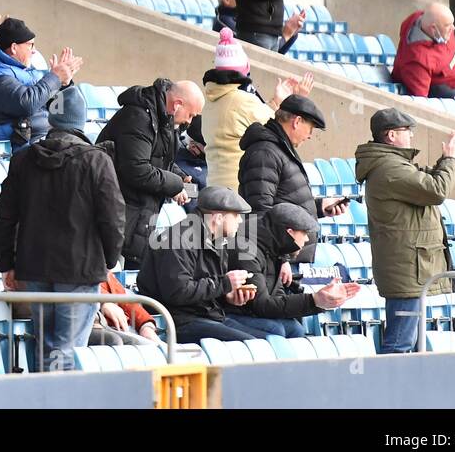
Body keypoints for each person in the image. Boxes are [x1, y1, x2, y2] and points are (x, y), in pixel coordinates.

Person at [0, 85, 126, 371]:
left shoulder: (23, 159)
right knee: (67, 348)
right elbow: (113, 217)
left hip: (36, 267)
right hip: (80, 269)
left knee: (44, 344)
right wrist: (110, 259)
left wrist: (6, 263)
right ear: (80, 122)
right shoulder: (96, 160)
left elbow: (4, 215)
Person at [356, 109, 455, 353]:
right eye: (407, 131)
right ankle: (387, 390)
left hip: (410, 269)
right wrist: (450, 160)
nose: (411, 136)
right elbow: (436, 189)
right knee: (399, 344)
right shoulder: (389, 169)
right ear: (392, 135)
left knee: (408, 343)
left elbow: (425, 179)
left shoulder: (393, 165)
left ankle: (397, 390)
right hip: (406, 271)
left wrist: (448, 159)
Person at [96, 77, 204, 267]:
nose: (190, 121)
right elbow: (137, 169)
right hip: (117, 208)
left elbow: (161, 158)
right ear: (178, 104)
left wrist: (178, 176)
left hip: (137, 211)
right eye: (191, 114)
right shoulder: (138, 117)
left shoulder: (164, 117)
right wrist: (175, 185)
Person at [136, 186, 260, 343]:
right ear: (218, 217)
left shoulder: (218, 239)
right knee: (249, 345)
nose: (240, 221)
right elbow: (178, 292)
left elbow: (207, 287)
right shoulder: (177, 239)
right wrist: (225, 283)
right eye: (236, 215)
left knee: (265, 342)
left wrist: (227, 297)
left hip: (205, 316)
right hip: (178, 321)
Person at [223, 202, 360, 339]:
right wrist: (314, 300)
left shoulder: (274, 247)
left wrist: (316, 301)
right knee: (276, 331)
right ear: (289, 233)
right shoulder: (247, 251)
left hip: (249, 312)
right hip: (229, 312)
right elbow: (261, 305)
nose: (306, 239)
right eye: (304, 233)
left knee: (295, 329)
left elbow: (275, 295)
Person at [237, 95, 346, 264]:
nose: (310, 135)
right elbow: (260, 210)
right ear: (297, 121)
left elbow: (285, 202)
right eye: (310, 128)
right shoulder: (266, 152)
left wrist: (319, 208)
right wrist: (282, 258)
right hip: (278, 259)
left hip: (286, 255)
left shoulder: (278, 150)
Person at [203, 28, 313, 190]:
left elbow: (255, 119)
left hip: (214, 190)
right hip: (238, 196)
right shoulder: (242, 101)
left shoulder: (211, 103)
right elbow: (281, 129)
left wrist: (276, 102)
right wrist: (297, 99)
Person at [0, 18, 83, 150]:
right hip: (25, 148)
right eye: (30, 45)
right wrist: (55, 78)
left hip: (45, 140)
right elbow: (26, 103)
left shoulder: (25, 71)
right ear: (13, 48)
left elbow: (55, 109)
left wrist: (63, 84)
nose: (34, 51)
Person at [211, 0, 303, 54]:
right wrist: (286, 34)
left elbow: (275, 54)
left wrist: (291, 33)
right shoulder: (223, 23)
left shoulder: (242, 18)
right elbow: (260, 53)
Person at [391, 3, 455, 99]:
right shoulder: (418, 61)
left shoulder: (423, 19)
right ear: (433, 28)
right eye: (447, 25)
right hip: (448, 91)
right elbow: (421, 100)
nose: (453, 28)